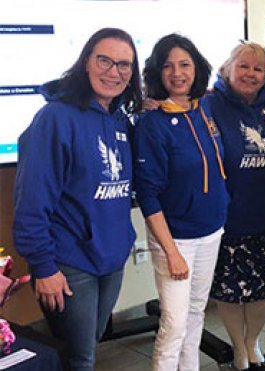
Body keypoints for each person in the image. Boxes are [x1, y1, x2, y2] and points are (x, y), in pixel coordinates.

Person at [13, 27, 142, 370]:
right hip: (69, 263)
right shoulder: (54, 119)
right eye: (104, 60)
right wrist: (44, 266)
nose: (113, 72)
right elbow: (31, 202)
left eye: (124, 65)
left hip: (110, 260)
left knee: (86, 346)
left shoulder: (120, 120)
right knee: (81, 358)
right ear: (86, 62)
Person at [133, 34, 229, 371]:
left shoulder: (207, 107)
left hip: (211, 231)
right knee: (173, 325)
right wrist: (172, 252)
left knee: (195, 316)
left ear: (196, 68)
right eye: (168, 66)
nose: (177, 73)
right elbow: (147, 194)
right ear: (157, 73)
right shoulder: (152, 123)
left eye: (184, 64)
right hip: (175, 239)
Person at [207, 41, 265, 371]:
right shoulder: (209, 103)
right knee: (229, 290)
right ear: (227, 68)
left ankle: (253, 341)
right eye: (244, 66)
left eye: (258, 68)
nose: (251, 74)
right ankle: (237, 346)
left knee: (264, 288)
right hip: (228, 219)